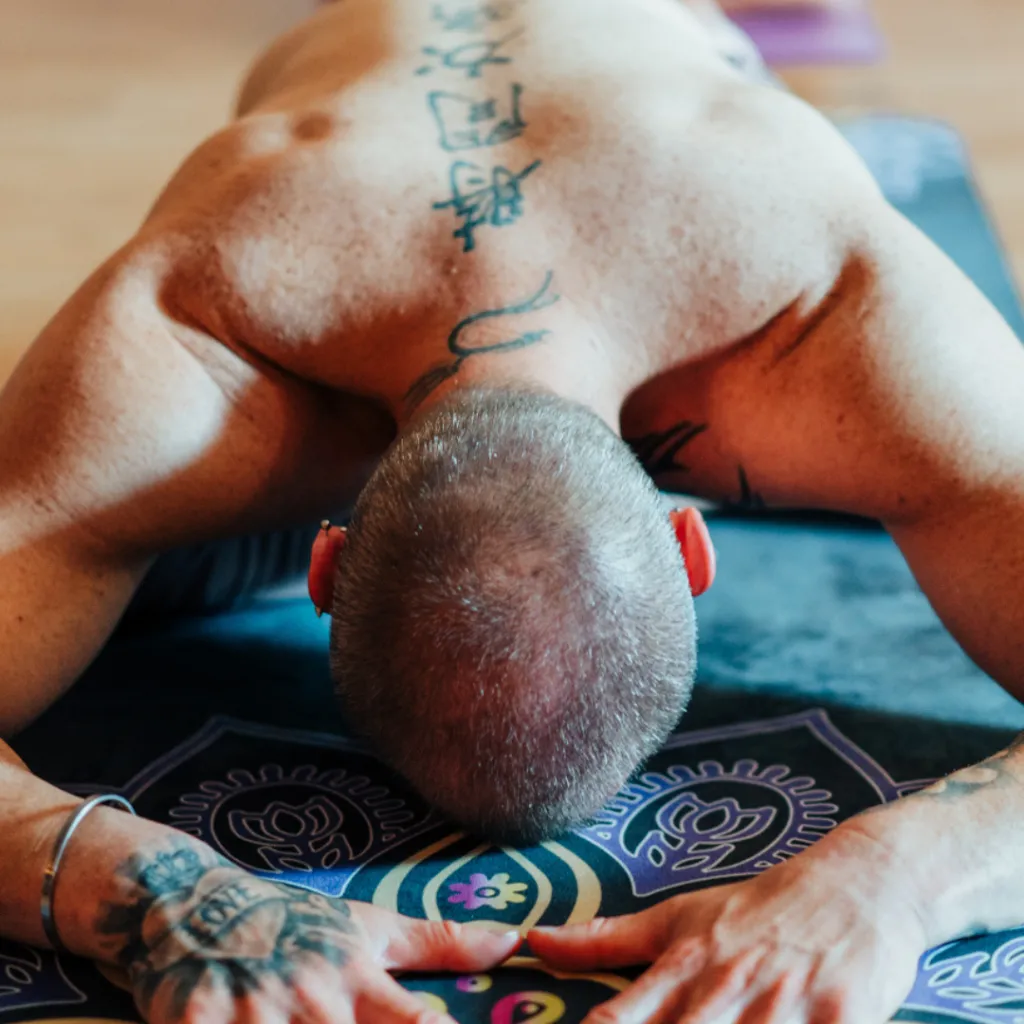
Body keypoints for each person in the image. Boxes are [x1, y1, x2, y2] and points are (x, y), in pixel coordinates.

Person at [1, 1, 1022, 1023]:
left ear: (325, 569)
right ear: (686, 547)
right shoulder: (197, 320)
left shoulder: (841, 305)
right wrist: (150, 891)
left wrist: (888, 881)